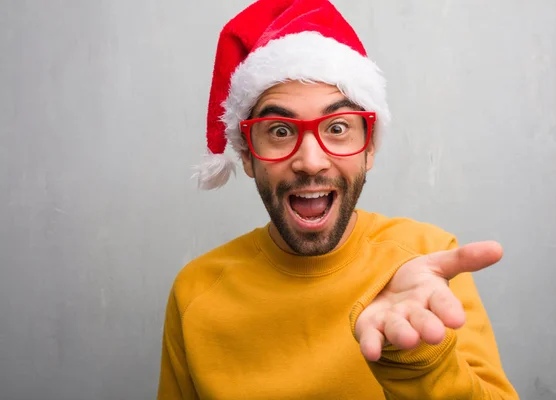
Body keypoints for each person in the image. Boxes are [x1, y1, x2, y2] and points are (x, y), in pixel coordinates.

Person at [157, 0, 519, 398]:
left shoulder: (428, 261)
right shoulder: (196, 292)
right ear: (246, 154)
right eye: (279, 130)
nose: (310, 162)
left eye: (338, 127)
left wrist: (419, 364)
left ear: (369, 148)